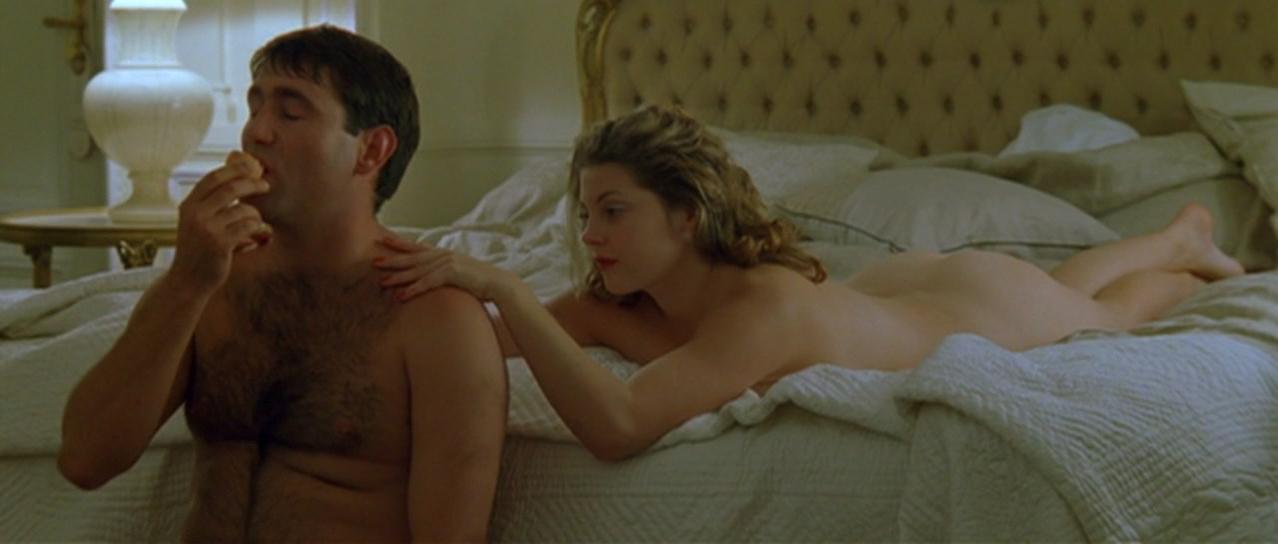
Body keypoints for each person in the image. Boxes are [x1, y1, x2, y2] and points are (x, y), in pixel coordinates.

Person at [373, 105, 1246, 462]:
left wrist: (507, 289)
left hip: (976, 311)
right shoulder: (613, 302)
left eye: (614, 212)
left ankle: (1180, 242)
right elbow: (466, 342)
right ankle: (1175, 239)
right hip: (890, 291)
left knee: (1093, 311)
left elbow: (622, 427)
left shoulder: (763, 307)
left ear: (686, 217)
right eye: (583, 214)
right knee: (1068, 288)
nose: (589, 236)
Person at [58, 25, 507, 542]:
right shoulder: (210, 285)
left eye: (290, 113)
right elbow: (84, 460)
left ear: (371, 150)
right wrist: (185, 280)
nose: (256, 133)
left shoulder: (437, 318)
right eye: (255, 109)